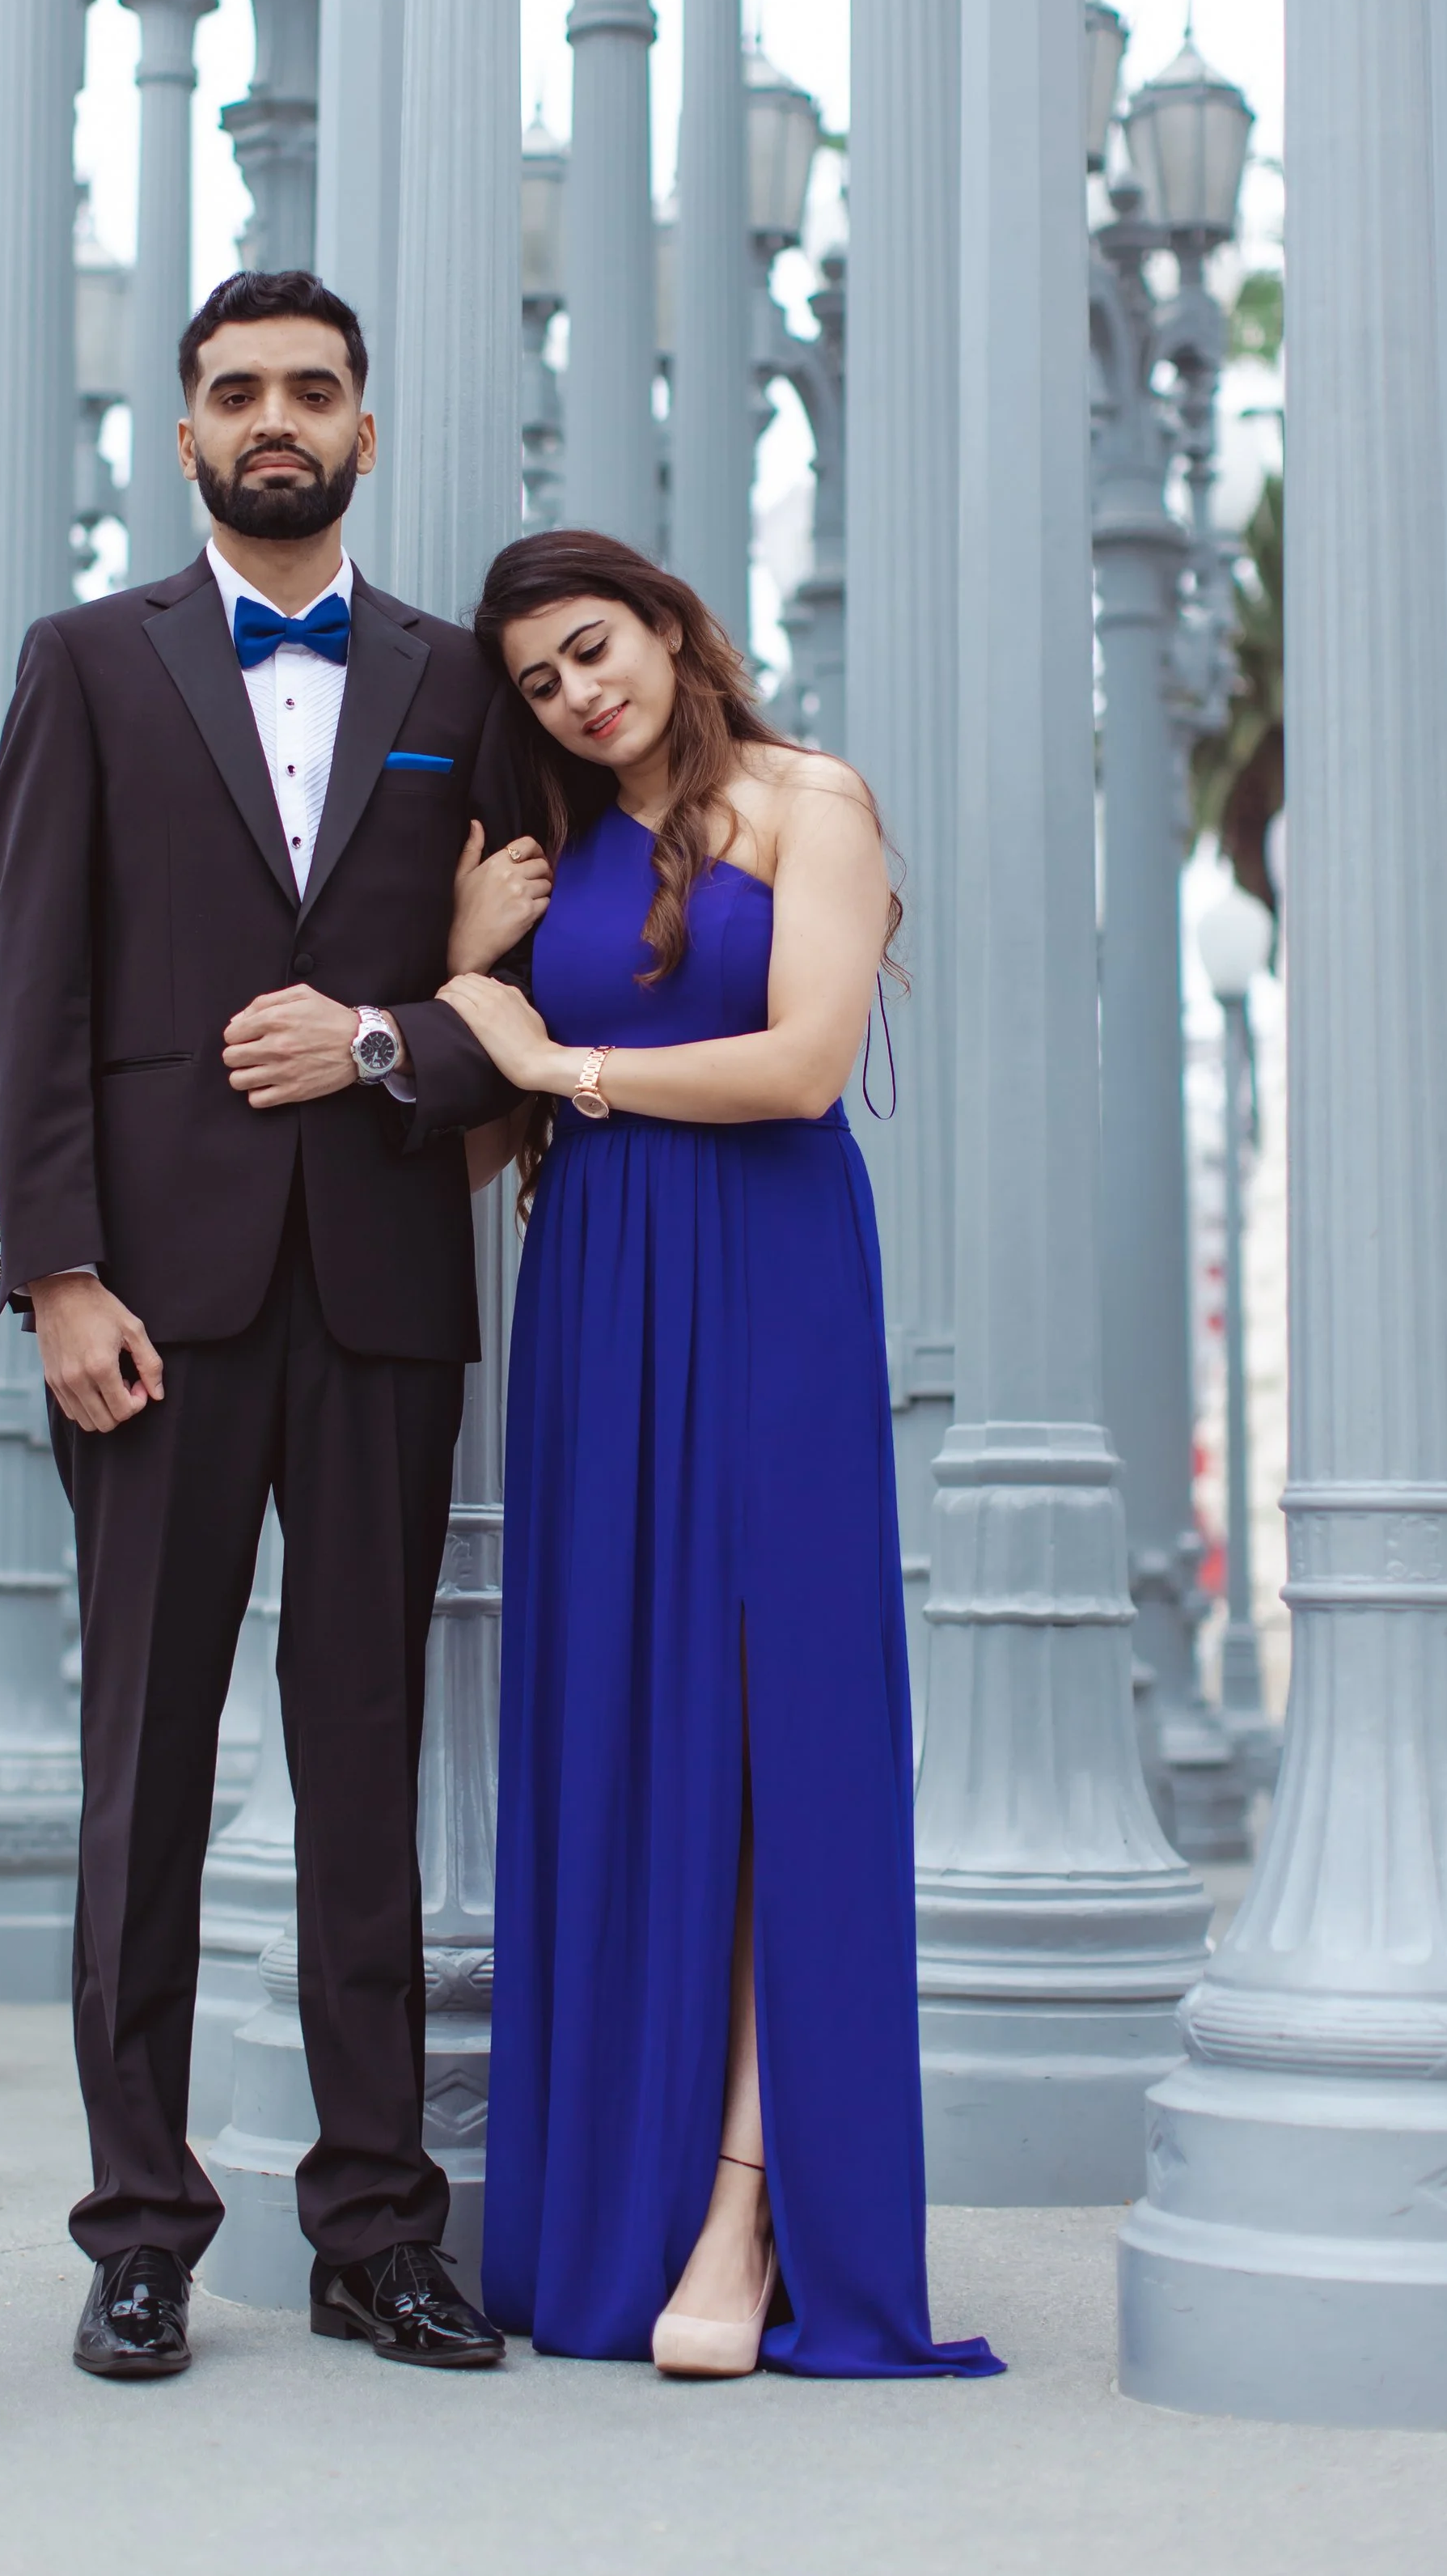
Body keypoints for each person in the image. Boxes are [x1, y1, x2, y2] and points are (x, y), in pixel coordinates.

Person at [0, 270, 531, 2380]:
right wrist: (58, 1273)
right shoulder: (85, 662)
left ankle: (375, 2226)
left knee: (364, 1760)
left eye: (311, 389)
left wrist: (386, 1036)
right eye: (236, 391)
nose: (273, 416)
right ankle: (139, 2227)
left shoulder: (453, 676)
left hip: (379, 1285)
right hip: (150, 1302)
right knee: (143, 1766)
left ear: (363, 433)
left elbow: (513, 989)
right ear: (186, 432)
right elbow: (33, 982)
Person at [438, 529, 1002, 2383]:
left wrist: (559, 1067)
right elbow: (471, 1148)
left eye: (594, 648)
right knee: (631, 1722)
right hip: (597, 1299)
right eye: (538, 682)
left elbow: (798, 1067)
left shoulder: (804, 799)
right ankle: (628, 2192)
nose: (576, 694)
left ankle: (749, 2207)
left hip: (766, 1281)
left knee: (777, 1732)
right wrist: (463, 978)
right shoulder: (553, 856)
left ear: (671, 629)